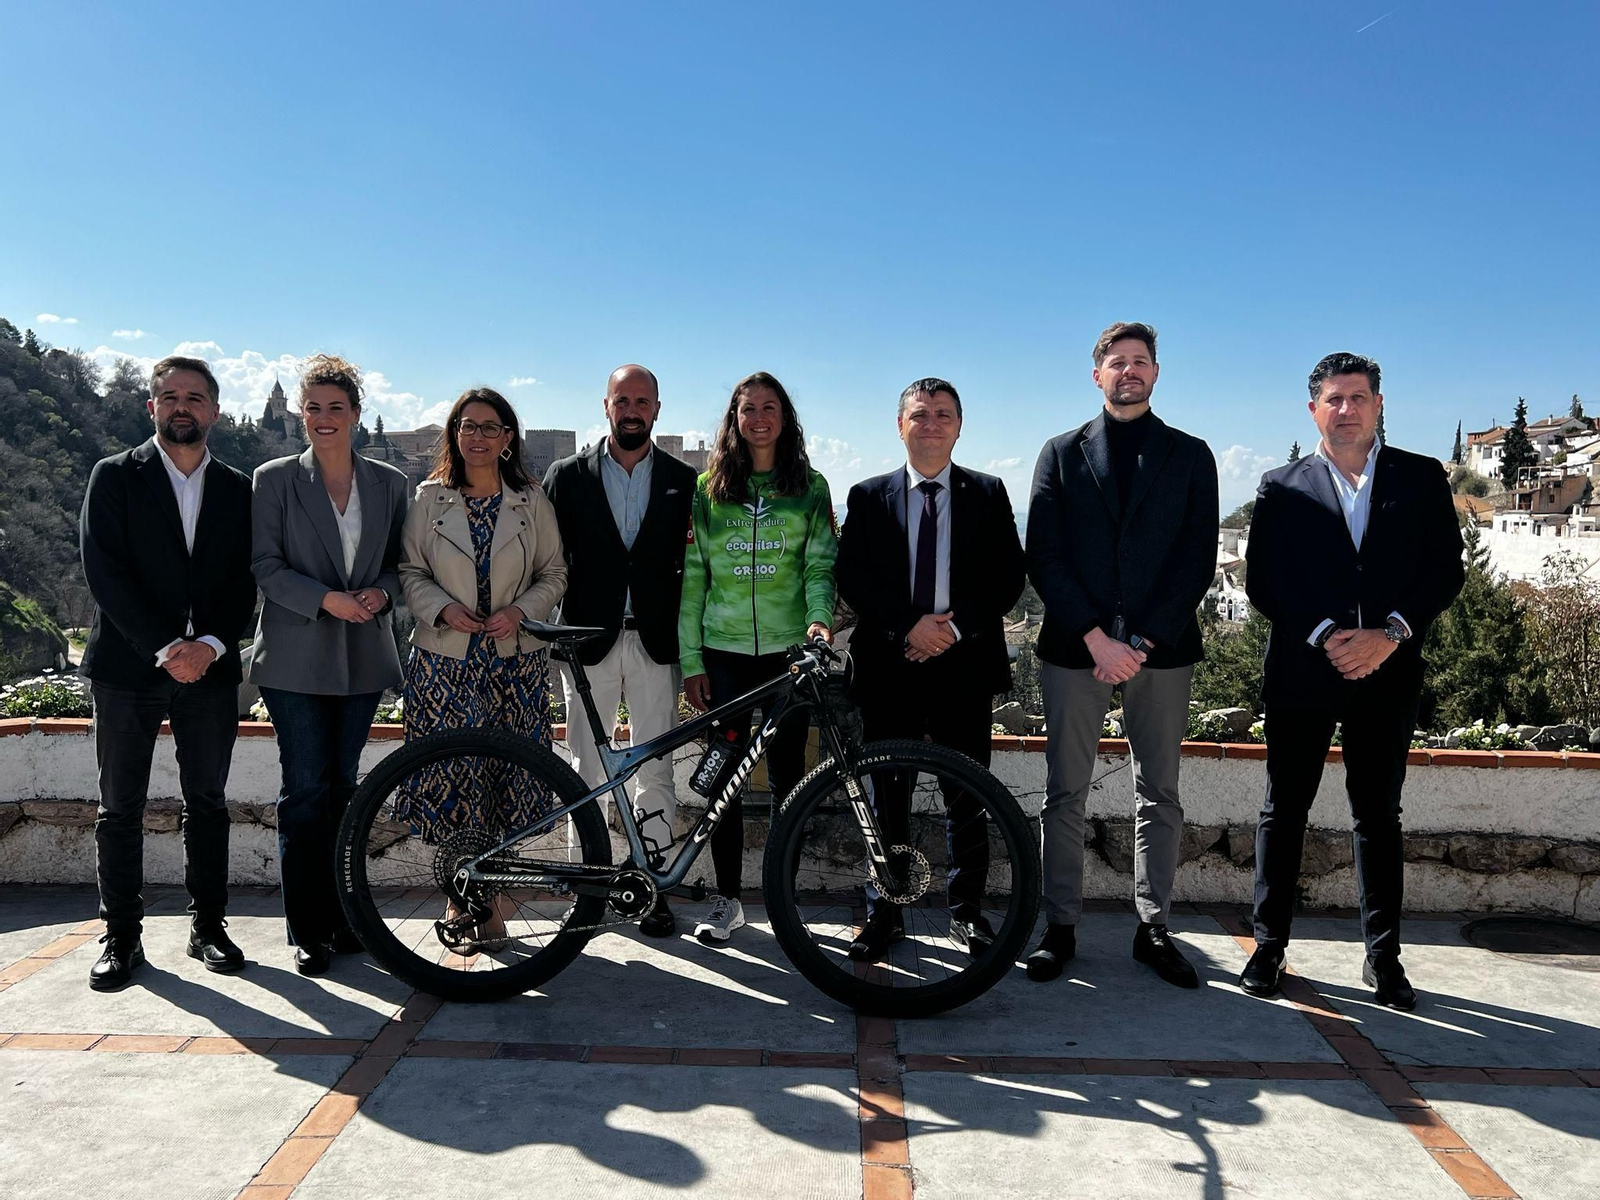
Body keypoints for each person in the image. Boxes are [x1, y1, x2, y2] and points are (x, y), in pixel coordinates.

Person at [1240, 353, 1463, 1010]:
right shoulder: (1280, 486)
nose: (1347, 409)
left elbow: (1444, 571)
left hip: (1387, 672)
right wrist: (1326, 638)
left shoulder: (1421, 479)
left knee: (1378, 816)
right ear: (1314, 410)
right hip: (1304, 672)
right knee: (1284, 812)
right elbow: (1263, 582)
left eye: (1358, 397)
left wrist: (1387, 635)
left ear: (1378, 404)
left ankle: (1384, 957)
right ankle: (1269, 948)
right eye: (1334, 399)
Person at [1025, 321, 1219, 988]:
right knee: (1063, 793)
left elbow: (1196, 561)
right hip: (1074, 647)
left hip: (1159, 652)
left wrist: (1136, 643)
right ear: (1096, 373)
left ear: (1156, 373)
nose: (1128, 371)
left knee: (1159, 793)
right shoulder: (1060, 452)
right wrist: (1095, 638)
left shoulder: (1192, 456)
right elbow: (1044, 555)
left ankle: (1154, 928)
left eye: (1140, 361)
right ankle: (1060, 928)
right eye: (1116, 362)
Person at [78, 356, 257, 991]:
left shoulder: (240, 489)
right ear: (150, 407)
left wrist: (207, 645)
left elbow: (247, 580)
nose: (182, 406)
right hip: (127, 668)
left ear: (214, 410)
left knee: (206, 800)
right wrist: (165, 647)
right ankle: (121, 938)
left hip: (210, 668)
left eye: (196, 397)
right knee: (119, 806)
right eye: (170, 396)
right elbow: (104, 572)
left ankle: (209, 927)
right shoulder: (114, 477)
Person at [835, 378, 1025, 961]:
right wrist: (906, 626)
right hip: (889, 668)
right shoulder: (867, 496)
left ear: (960, 426)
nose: (932, 424)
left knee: (966, 794)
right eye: (920, 415)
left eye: (944, 414)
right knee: (887, 794)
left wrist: (950, 630)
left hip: (963, 667)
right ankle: (884, 911)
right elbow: (854, 578)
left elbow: (1007, 576)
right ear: (900, 426)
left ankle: (965, 910)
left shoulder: (989, 493)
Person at [249, 354, 409, 976]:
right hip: (294, 658)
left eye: (334, 408)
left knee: (347, 789)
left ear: (355, 414)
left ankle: (346, 919)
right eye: (312, 407)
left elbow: (401, 564)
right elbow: (264, 565)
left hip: (363, 656)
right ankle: (307, 927)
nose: (322, 418)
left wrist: (382, 594)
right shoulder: (273, 479)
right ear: (299, 413)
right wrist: (326, 599)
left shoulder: (389, 484)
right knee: (306, 791)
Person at [398, 387, 568, 949]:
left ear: (507, 438)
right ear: (454, 434)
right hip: (446, 662)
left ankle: (490, 902)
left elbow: (554, 574)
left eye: (489, 427)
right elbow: (409, 571)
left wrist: (521, 612)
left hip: (513, 663)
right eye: (467, 426)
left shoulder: (531, 501)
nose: (477, 436)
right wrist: (442, 608)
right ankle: (458, 897)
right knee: (455, 781)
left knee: (503, 782)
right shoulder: (429, 499)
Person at [680, 371, 837, 944]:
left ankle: (783, 898)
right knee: (725, 778)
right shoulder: (709, 489)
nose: (759, 418)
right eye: (749, 409)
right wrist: (691, 659)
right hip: (723, 656)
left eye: (770, 408)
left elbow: (819, 566)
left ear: (785, 418)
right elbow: (694, 579)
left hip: (789, 653)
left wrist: (819, 622)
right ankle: (726, 899)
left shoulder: (811, 487)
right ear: (735, 419)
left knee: (791, 779)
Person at [544, 365, 695, 937]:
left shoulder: (685, 479)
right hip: (588, 643)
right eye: (622, 399)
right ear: (605, 406)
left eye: (642, 400)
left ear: (657, 409)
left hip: (657, 642)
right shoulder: (567, 475)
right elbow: (548, 559)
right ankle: (585, 886)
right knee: (584, 768)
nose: (632, 409)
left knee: (654, 767)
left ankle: (651, 885)